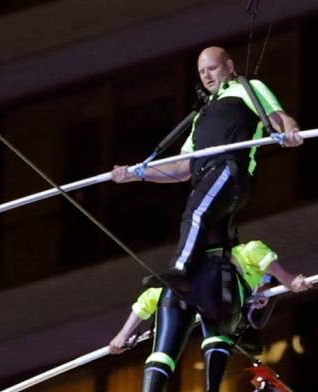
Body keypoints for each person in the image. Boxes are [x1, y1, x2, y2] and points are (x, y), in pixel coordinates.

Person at [111, 46, 303, 293]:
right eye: (202, 72)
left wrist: (291, 131)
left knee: (195, 214)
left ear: (230, 67)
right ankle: (230, 291)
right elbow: (181, 167)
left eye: (212, 68)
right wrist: (136, 174)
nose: (207, 76)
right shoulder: (201, 116)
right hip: (207, 179)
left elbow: (280, 118)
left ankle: (180, 270)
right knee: (213, 244)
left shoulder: (247, 88)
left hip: (228, 170)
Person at [108, 240, 311, 392]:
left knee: (173, 352)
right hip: (217, 287)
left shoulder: (241, 290)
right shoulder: (249, 252)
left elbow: (150, 299)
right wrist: (290, 281)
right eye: (266, 292)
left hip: (188, 291)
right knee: (213, 338)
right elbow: (275, 270)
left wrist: (123, 335)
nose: (263, 300)